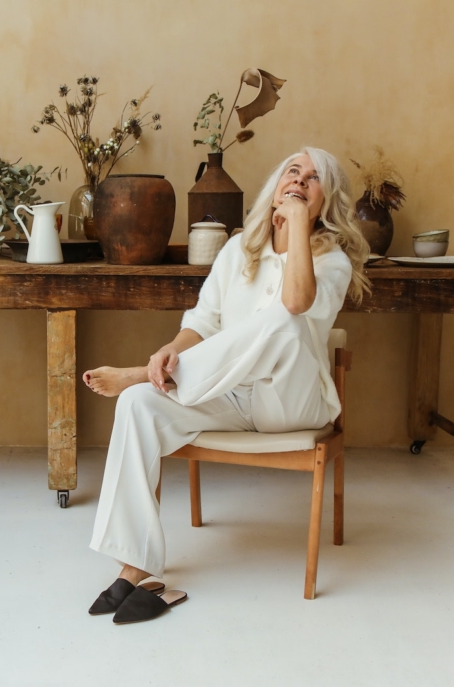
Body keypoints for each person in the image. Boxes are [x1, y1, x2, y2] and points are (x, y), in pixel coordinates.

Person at [81, 147, 371, 623]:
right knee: (137, 404)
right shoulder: (239, 250)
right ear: (276, 184)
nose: (299, 181)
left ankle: (141, 372)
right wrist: (173, 349)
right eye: (292, 171)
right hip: (229, 394)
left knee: (287, 321)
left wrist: (298, 225)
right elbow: (203, 322)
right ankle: (134, 567)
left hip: (290, 403)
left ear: (326, 199)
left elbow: (296, 304)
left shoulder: (332, 260)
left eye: (313, 179)